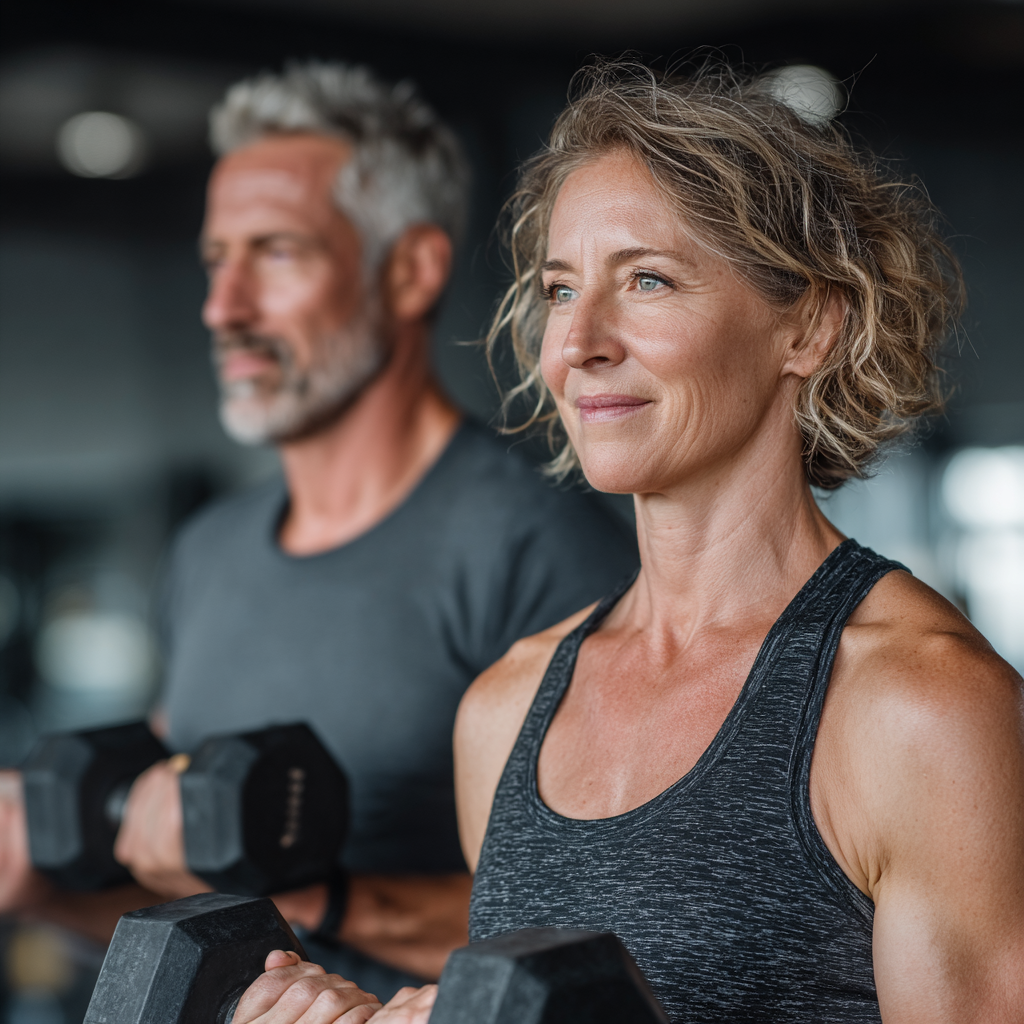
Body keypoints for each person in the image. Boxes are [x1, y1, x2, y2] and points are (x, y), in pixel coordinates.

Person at [239, 60, 1024, 1023]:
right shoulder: (506, 707)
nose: (579, 344)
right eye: (561, 291)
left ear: (812, 327)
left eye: (648, 280)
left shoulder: (921, 707)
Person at [0, 62, 638, 997]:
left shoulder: (530, 547)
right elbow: (207, 918)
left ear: (412, 268)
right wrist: (38, 889)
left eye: (278, 252)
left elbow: (612, 936)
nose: (225, 309)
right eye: (218, 259)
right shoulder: (210, 553)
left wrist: (332, 897)